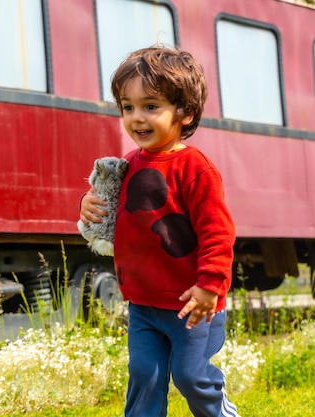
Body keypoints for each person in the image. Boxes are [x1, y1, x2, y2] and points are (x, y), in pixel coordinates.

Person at [79, 46, 239, 417]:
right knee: (143, 376)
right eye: (127, 106)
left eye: (151, 106)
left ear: (185, 112)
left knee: (191, 377)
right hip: (144, 304)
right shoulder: (127, 165)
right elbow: (110, 212)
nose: (137, 118)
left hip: (192, 305)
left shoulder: (196, 169)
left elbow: (219, 233)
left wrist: (209, 286)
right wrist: (85, 206)